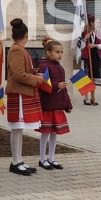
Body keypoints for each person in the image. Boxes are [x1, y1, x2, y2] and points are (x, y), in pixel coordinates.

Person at [5, 18, 45, 176]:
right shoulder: (17, 50)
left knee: (19, 129)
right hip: (18, 92)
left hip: (22, 91)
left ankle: (18, 160)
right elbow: (19, 74)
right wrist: (36, 79)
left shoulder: (19, 49)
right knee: (17, 128)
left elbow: (22, 70)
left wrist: (35, 73)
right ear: (26, 35)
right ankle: (15, 161)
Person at [36, 38, 72, 170]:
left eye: (61, 52)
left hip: (57, 106)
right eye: (57, 52)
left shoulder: (60, 68)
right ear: (48, 52)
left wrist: (67, 103)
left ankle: (51, 157)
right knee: (45, 132)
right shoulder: (44, 66)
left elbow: (63, 89)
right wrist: (57, 85)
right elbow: (42, 85)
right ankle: (42, 158)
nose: (60, 55)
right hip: (47, 105)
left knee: (54, 133)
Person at [80, 15, 101, 106]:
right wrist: (85, 39)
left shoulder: (99, 33)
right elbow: (80, 47)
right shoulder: (83, 33)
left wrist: (95, 45)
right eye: (96, 22)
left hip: (96, 56)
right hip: (87, 57)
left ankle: (93, 97)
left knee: (93, 77)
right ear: (91, 23)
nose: (98, 24)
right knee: (85, 77)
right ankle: (86, 98)